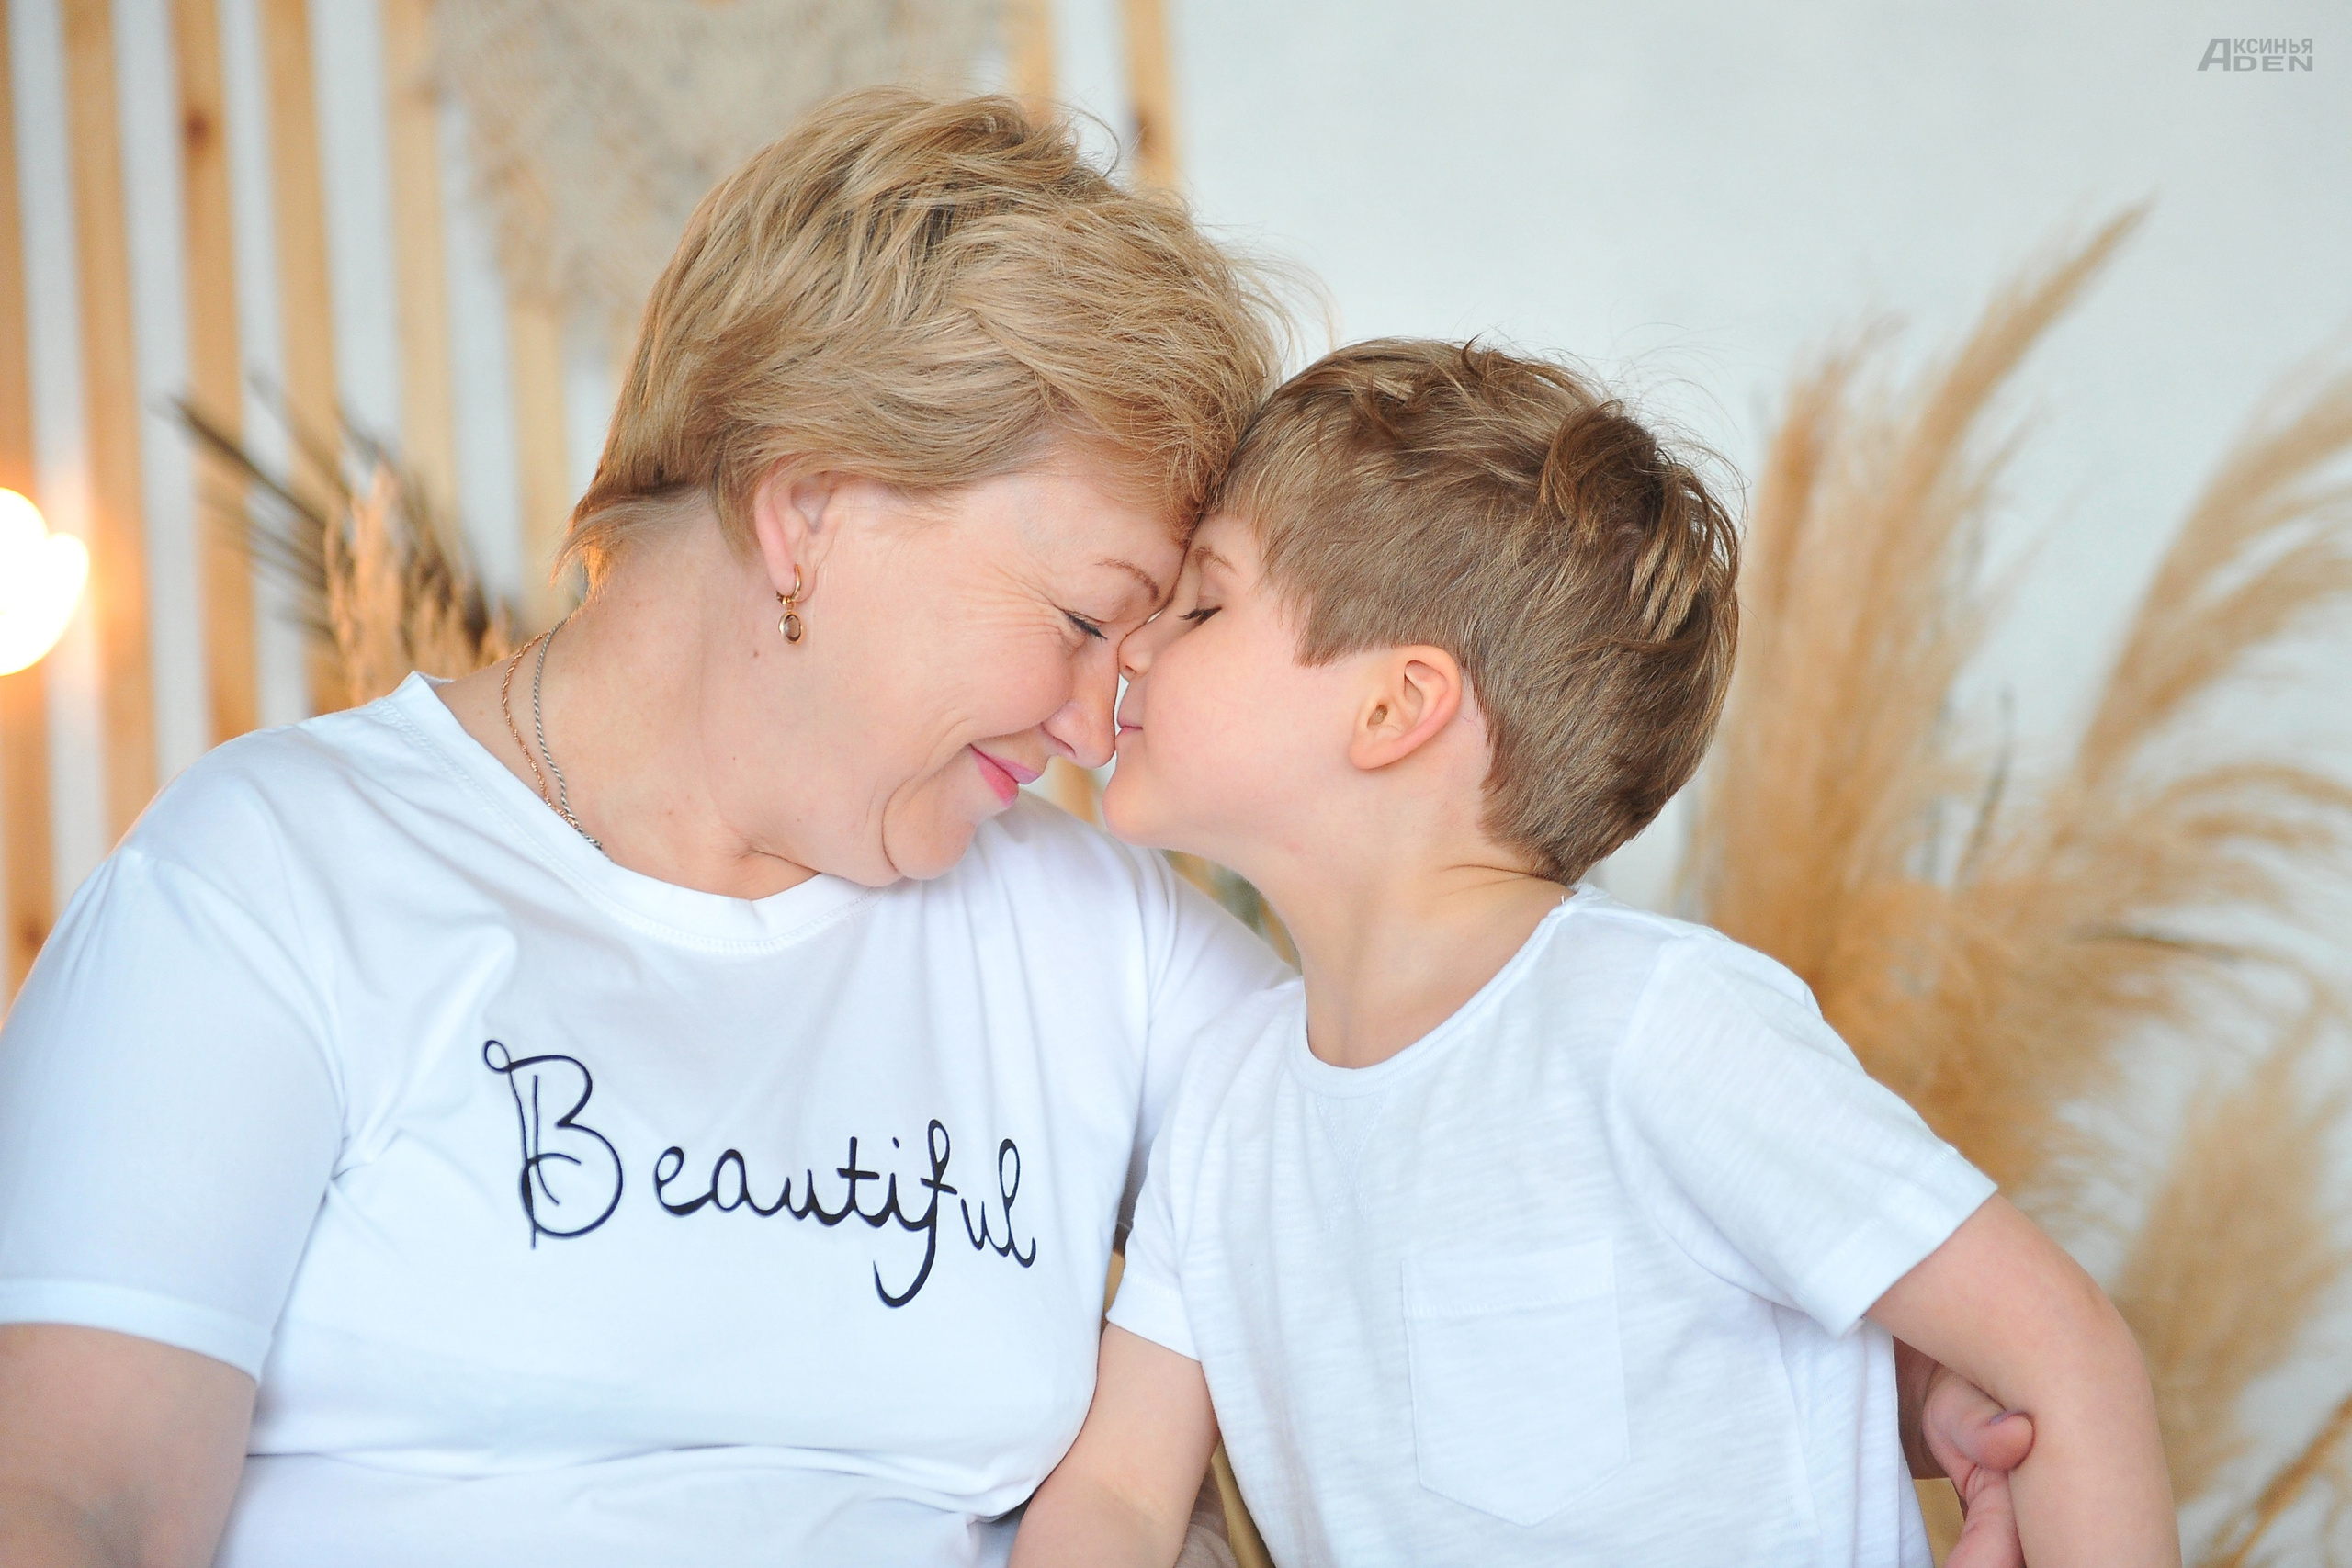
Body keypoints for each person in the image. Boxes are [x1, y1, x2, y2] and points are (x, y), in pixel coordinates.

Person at [0, 95, 2024, 1568]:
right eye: (1075, 619)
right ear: (807, 513)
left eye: (1151, 638)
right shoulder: (274, 874)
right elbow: (75, 1501)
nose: (1087, 727)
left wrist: (1862, 1346)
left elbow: (1465, 1133)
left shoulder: (1105, 940)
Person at [1014, 340, 2174, 1567]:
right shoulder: (1229, 1102)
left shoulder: (1658, 1025)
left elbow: (2059, 1350)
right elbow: (1120, 1502)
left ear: (1396, 708)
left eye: (1204, 603)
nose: (1133, 647)